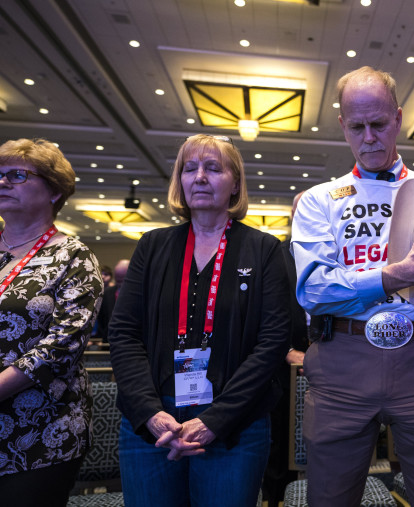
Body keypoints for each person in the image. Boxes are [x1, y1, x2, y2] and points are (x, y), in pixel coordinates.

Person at [291, 66, 414, 507]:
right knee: (329, 498)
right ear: (342, 124)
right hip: (343, 359)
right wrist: (400, 274)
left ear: (398, 119)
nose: (369, 138)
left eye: (379, 124)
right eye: (357, 127)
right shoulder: (318, 201)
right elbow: (315, 292)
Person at [108, 134, 291, 506]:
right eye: (189, 169)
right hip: (152, 426)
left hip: (234, 425)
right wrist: (151, 414)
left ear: (236, 183)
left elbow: (273, 341)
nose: (200, 177)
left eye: (213, 168)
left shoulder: (263, 249)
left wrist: (215, 421)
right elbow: (124, 334)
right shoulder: (152, 245)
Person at [0, 138, 103, 506]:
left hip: (41, 431)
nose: (2, 182)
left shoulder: (72, 256)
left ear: (54, 191)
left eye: (16, 175)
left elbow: (63, 345)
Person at [262, 191, 309, 506]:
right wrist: (286, 352)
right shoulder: (274, 254)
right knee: (279, 450)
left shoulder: (338, 254)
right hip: (282, 369)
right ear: (292, 215)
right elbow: (257, 315)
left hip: (332, 367)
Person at [93, 258, 129, 343]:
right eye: (118, 280)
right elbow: (101, 319)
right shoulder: (107, 293)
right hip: (108, 340)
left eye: (122, 280)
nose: (120, 285)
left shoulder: (139, 293)